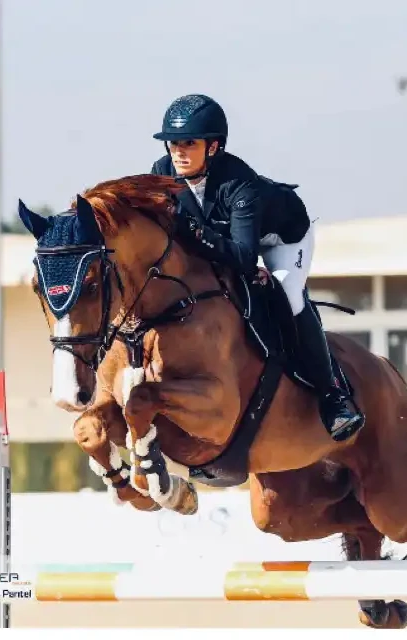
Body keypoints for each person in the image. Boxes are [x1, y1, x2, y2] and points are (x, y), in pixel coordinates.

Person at [148, 93, 364, 442]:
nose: (178, 152)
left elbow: (245, 257)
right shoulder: (162, 173)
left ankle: (333, 396)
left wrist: (197, 233)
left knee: (289, 296)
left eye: (189, 143)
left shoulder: (240, 183)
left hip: (282, 238)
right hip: (229, 240)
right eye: (172, 143)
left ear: (214, 147)